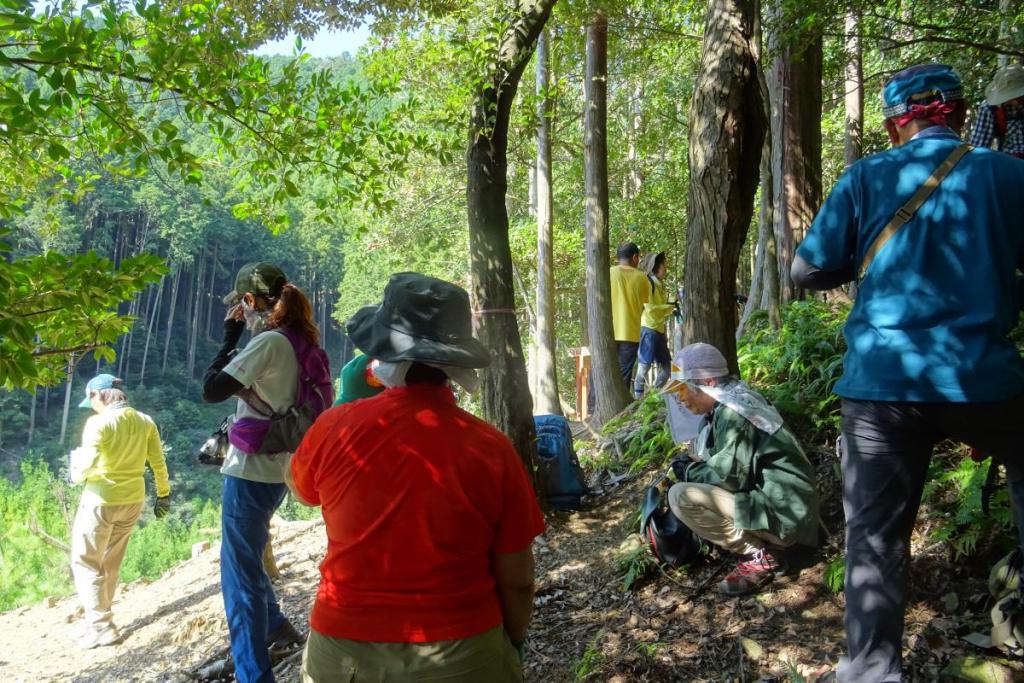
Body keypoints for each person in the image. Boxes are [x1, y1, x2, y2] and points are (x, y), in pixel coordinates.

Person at [791, 63, 1024, 682]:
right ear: (960, 107)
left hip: (880, 387)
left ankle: (871, 672)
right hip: (986, 380)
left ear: (898, 122)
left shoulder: (866, 176)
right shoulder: (1010, 175)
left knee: (873, 539)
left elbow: (806, 272)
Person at [287, 272, 546, 683]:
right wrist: (509, 645)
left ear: (380, 355)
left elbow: (303, 491)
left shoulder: (333, 427)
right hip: (463, 652)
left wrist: (347, 410)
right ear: (453, 364)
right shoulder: (490, 448)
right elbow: (517, 580)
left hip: (342, 653)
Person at [202, 262, 314, 683]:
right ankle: (276, 628)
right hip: (279, 467)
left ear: (250, 302)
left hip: (250, 472)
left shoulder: (268, 342)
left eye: (242, 304)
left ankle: (253, 674)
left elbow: (212, 389)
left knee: (238, 576)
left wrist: (229, 337)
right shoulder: (300, 339)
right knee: (249, 556)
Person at [664, 344, 819, 597]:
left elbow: (730, 477)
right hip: (792, 510)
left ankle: (761, 555)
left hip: (787, 518)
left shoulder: (734, 413)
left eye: (682, 390)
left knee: (680, 496)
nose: (681, 399)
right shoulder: (734, 403)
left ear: (708, 382)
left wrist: (688, 471)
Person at [69, 373, 169, 649]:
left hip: (100, 500)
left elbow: (84, 467)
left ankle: (100, 626)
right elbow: (157, 462)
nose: (91, 406)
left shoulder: (98, 423)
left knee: (85, 560)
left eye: (91, 400)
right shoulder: (145, 421)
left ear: (100, 395)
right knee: (110, 560)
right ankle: (98, 620)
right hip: (133, 500)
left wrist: (73, 471)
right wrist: (163, 494)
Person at [633, 251, 676, 399]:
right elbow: (650, 308)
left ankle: (654, 395)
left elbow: (664, 311)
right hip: (649, 329)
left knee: (668, 368)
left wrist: (671, 306)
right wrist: (668, 306)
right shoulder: (648, 283)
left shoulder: (661, 286)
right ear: (656, 267)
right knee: (644, 366)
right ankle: (638, 401)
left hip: (659, 330)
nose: (666, 268)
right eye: (664, 265)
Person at [609, 242, 650, 386]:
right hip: (630, 333)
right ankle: (620, 408)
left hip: (608, 332)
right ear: (635, 257)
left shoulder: (608, 273)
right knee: (624, 373)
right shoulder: (642, 278)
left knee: (600, 369)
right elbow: (645, 304)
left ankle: (592, 405)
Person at [967, 63, 1024, 158]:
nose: (1016, 100)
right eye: (1012, 97)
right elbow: (978, 146)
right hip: (1010, 164)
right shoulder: (990, 109)